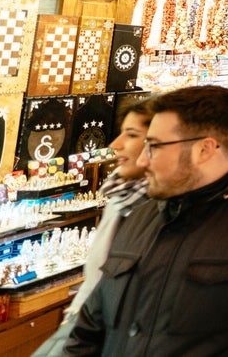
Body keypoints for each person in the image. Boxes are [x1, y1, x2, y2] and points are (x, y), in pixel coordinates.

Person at [64, 86, 228, 355]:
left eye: (154, 146)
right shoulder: (140, 217)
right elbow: (88, 331)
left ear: (204, 149)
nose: (143, 160)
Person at [35, 100, 154, 357]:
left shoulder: (159, 211)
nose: (115, 145)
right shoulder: (120, 193)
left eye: (132, 135)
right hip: (85, 324)